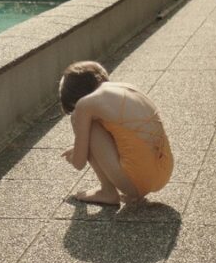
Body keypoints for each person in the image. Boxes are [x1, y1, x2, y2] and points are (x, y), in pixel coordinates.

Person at [59, 60, 173, 205]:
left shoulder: (84, 105)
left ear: (76, 98)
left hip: (139, 181)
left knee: (83, 121)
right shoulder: (126, 87)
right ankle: (129, 189)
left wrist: (77, 153)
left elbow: (79, 163)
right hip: (164, 171)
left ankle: (107, 191)